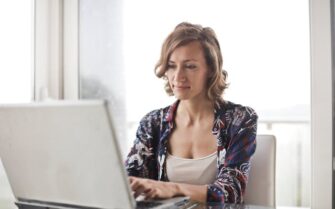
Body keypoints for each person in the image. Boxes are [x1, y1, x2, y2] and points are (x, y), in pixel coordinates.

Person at [125, 22, 257, 204]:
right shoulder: (153, 123)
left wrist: (171, 188)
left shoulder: (240, 119)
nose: (178, 76)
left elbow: (231, 192)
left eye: (190, 66)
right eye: (171, 66)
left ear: (210, 70)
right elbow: (128, 183)